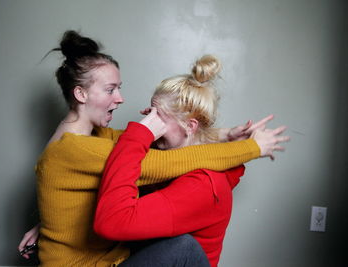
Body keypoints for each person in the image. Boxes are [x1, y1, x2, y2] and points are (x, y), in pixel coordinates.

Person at [18, 30, 288, 266]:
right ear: (81, 94)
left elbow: (137, 151)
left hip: (102, 258)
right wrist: (253, 148)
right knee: (183, 247)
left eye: (119, 88)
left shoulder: (95, 137)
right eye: (111, 89)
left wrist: (225, 134)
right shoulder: (76, 148)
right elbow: (160, 161)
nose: (121, 99)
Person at [93, 55, 289, 267]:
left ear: (190, 126)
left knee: (182, 246)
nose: (149, 123)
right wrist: (223, 135)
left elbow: (110, 223)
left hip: (181, 258)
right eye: (150, 113)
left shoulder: (201, 186)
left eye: (159, 117)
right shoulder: (180, 158)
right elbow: (105, 138)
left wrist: (139, 134)